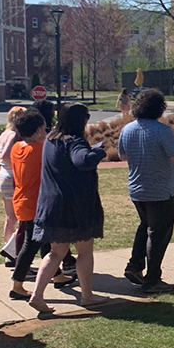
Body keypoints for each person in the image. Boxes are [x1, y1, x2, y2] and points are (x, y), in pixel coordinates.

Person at [119, 89, 174, 293]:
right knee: (158, 235)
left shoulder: (127, 129)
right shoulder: (162, 131)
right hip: (159, 191)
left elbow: (123, 156)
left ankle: (135, 265)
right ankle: (152, 279)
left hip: (136, 189)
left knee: (145, 225)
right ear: (159, 108)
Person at [28, 104, 110, 313]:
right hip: (76, 207)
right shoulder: (75, 141)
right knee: (84, 252)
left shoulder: (51, 140)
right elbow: (82, 161)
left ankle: (37, 295)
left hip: (52, 205)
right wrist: (99, 152)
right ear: (80, 121)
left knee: (56, 253)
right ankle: (87, 296)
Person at [9, 110, 75, 301]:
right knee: (31, 244)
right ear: (39, 130)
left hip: (22, 201)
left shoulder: (17, 148)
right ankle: (17, 285)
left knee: (46, 239)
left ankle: (57, 275)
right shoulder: (39, 149)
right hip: (36, 204)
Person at [0, 106, 26, 264]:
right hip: (11, 177)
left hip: (2, 176)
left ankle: (9, 248)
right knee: (19, 217)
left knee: (10, 217)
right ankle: (12, 250)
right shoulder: (14, 134)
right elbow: (5, 154)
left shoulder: (4, 133)